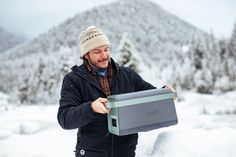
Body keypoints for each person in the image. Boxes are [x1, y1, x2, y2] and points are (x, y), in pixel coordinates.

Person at [57, 25, 174, 157]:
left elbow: (150, 95)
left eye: (106, 49)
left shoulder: (127, 75)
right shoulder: (74, 80)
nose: (104, 55)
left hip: (125, 152)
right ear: (86, 55)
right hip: (91, 153)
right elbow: (65, 118)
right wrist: (91, 108)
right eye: (97, 52)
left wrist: (164, 93)